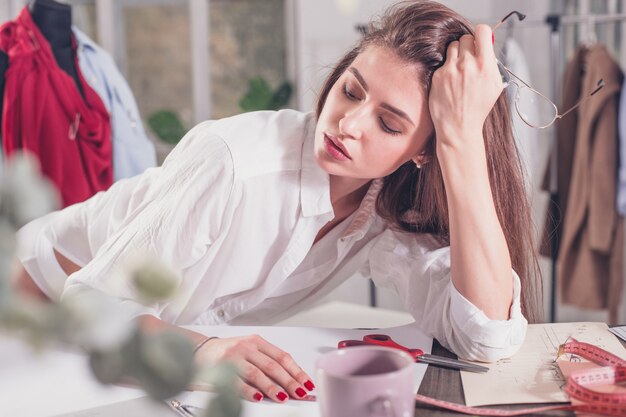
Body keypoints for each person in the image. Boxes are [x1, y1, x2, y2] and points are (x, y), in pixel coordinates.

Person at [14, 0, 542, 404]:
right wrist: (201, 350)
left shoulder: (387, 207)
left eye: (388, 123)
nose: (349, 125)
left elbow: (487, 338)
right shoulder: (235, 162)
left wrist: (462, 142)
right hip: (29, 302)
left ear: (423, 153)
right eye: (351, 91)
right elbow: (88, 305)